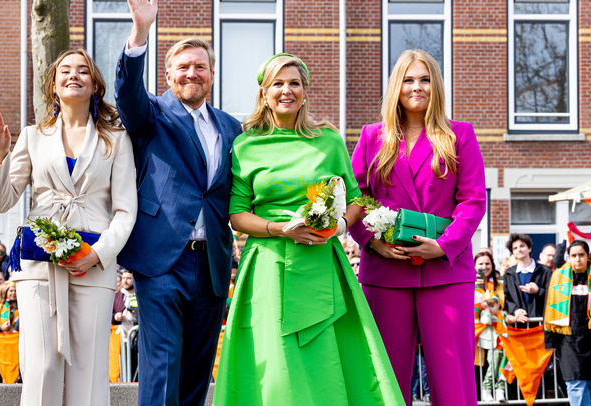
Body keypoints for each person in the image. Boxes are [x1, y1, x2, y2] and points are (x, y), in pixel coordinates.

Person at [213, 53, 402, 405]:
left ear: (305, 91)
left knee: (330, 357)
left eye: (295, 84)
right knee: (275, 361)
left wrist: (340, 225)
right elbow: (237, 215)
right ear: (264, 93)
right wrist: (282, 229)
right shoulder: (244, 146)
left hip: (322, 263)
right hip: (268, 265)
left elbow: (357, 198)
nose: (287, 90)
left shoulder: (328, 141)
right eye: (278, 84)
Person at [0, 47, 137, 406]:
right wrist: (0, 156)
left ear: (95, 85)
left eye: (83, 71)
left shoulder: (117, 140)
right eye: (65, 71)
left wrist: (96, 253)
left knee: (89, 370)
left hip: (93, 265)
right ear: (53, 85)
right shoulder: (33, 136)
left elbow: (126, 211)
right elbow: (2, 200)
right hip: (38, 267)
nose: (73, 76)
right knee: (41, 369)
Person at [115, 0, 242, 406]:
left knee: (196, 372)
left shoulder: (231, 127)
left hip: (211, 264)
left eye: (200, 67)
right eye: (183, 67)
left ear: (211, 74)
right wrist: (140, 32)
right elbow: (127, 93)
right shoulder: (151, 115)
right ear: (168, 74)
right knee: (163, 365)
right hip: (161, 259)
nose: (192, 73)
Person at [348, 49, 486, 405]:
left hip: (446, 269)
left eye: (425, 79)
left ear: (436, 86)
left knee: (452, 379)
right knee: (384, 379)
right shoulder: (371, 137)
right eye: (409, 79)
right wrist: (373, 244)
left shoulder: (460, 135)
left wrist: (443, 245)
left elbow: (472, 201)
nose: (417, 87)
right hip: (385, 269)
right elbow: (356, 198)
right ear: (397, 85)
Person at [544, 240, 591, 406]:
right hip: (568, 341)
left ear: (588, 256)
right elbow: (549, 308)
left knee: (590, 385)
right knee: (575, 384)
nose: (577, 259)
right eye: (573, 256)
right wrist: (550, 340)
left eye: (581, 255)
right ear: (568, 257)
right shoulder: (558, 277)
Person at [474, 251, 507, 402]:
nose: (484, 266)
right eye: (480, 263)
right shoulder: (468, 283)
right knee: (476, 365)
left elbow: (503, 305)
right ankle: (479, 394)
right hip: (475, 331)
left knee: (496, 359)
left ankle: (494, 388)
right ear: (474, 266)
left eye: (487, 263)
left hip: (496, 329)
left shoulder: (499, 284)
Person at [503, 233, 551, 327]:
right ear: (513, 253)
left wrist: (538, 291)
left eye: (522, 246)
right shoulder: (509, 274)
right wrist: (515, 310)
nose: (519, 249)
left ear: (529, 248)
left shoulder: (545, 271)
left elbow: (553, 296)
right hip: (519, 326)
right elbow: (506, 298)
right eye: (515, 248)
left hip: (540, 324)